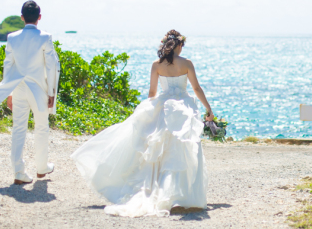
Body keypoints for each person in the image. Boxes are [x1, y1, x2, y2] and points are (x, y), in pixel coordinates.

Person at [71, 30, 212, 217]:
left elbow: (152, 92)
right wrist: (209, 109)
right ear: (179, 45)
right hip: (183, 109)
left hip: (163, 106)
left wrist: (151, 110)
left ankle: (158, 191)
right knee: (180, 151)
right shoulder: (187, 63)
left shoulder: (156, 65)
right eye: (182, 45)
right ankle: (178, 194)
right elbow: (196, 88)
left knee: (159, 154)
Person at [0, 0, 60, 185]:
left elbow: (8, 66)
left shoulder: (12, 38)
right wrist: (52, 93)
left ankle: (19, 172)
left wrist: (8, 92)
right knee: (41, 127)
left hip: (18, 88)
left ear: (22, 17)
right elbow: (51, 66)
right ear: (39, 17)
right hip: (38, 89)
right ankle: (42, 167)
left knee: (18, 129)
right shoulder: (45, 37)